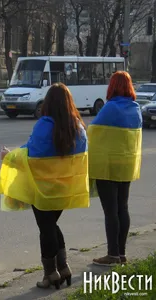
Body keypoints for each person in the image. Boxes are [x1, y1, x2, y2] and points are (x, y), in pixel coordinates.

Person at [0, 83, 89, 290]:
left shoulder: (45, 125)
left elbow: (30, 156)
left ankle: (50, 274)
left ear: (48, 103)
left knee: (46, 229)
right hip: (65, 189)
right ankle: (63, 268)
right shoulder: (78, 127)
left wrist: (8, 156)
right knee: (52, 226)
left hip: (43, 190)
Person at [89, 71, 142, 266]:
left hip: (107, 167)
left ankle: (112, 254)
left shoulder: (110, 108)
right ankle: (121, 253)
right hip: (126, 166)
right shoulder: (136, 109)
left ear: (112, 86)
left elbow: (93, 132)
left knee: (110, 210)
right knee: (123, 207)